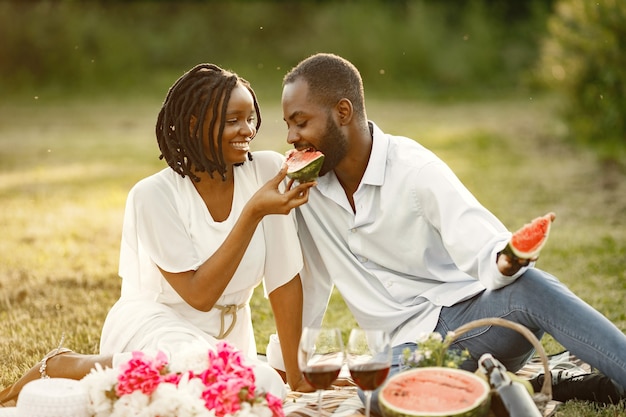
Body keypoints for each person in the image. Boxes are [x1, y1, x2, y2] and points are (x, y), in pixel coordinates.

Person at [268, 52, 626, 412]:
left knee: (532, 287)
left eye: (300, 123)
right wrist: (292, 362)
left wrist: (505, 262)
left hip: (473, 323)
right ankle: (502, 386)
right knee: (375, 392)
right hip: (402, 351)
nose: (291, 137)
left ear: (342, 113)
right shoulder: (307, 193)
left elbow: (482, 241)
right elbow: (310, 280)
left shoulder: (414, 169)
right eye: (288, 124)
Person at [0, 63, 314, 407]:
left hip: (227, 339)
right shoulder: (153, 196)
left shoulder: (266, 169)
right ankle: (67, 364)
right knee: (212, 376)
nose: (247, 130)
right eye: (232, 120)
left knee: (262, 386)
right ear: (194, 124)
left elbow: (284, 280)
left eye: (251, 117)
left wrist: (296, 375)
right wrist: (253, 212)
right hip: (157, 328)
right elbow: (199, 295)